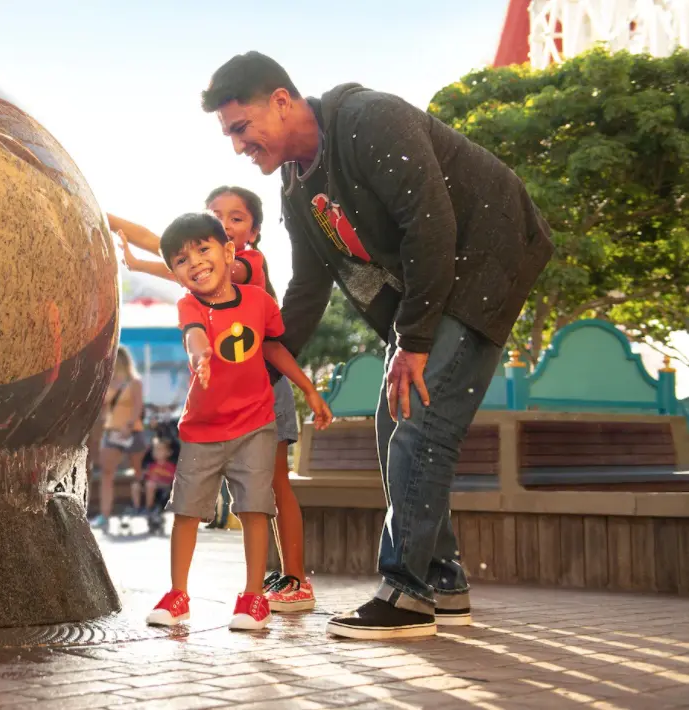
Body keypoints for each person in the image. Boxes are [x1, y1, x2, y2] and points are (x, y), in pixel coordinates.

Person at [200, 52, 554, 639]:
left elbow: (431, 223)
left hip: (485, 255)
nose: (239, 146)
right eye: (230, 134)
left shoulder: (367, 120)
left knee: (419, 415)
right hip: (433, 284)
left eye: (242, 128)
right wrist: (262, 371)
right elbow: (308, 292)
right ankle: (442, 583)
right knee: (394, 420)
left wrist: (414, 342)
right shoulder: (297, 188)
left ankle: (405, 593)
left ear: (282, 101)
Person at [110, 186, 315, 613]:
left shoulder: (247, 266)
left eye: (234, 219)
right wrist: (136, 251)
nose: (225, 223)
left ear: (248, 235)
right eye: (215, 214)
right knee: (219, 500)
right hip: (217, 404)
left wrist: (306, 389)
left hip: (265, 392)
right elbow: (187, 274)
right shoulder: (196, 293)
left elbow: (194, 265)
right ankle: (200, 590)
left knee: (267, 491)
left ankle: (289, 579)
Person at [90, 346, 147, 527]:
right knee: (107, 473)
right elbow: (104, 407)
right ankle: (105, 516)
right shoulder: (108, 382)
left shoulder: (134, 382)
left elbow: (138, 407)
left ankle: (144, 510)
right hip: (112, 431)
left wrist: (129, 426)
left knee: (139, 473)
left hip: (132, 431)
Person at [131, 435, 177, 514]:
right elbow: (145, 477)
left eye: (159, 450)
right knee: (135, 486)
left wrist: (158, 481)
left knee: (150, 484)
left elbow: (172, 480)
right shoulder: (151, 465)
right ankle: (137, 508)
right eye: (154, 450)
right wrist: (143, 475)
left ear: (168, 452)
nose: (156, 452)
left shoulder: (171, 466)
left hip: (163, 487)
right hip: (149, 485)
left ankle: (149, 508)